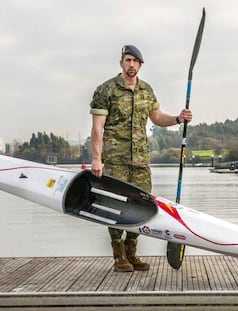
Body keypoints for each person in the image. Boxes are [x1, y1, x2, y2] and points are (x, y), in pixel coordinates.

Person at [89, 45, 192, 272]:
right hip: (115, 160)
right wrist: (97, 159)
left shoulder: (146, 90)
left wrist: (177, 118)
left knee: (142, 205)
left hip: (141, 161)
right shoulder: (106, 90)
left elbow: (157, 118)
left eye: (135, 61)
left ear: (140, 65)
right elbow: (97, 128)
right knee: (114, 205)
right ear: (121, 63)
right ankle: (119, 256)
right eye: (128, 60)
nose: (131, 65)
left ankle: (131, 251)